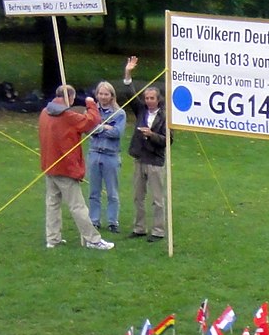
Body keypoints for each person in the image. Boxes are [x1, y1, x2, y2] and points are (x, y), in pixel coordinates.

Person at [39, 84, 114, 251]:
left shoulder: (44, 113)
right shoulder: (67, 116)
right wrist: (90, 103)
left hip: (49, 165)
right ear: (70, 98)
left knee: (52, 203)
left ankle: (53, 238)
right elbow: (92, 121)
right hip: (65, 168)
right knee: (77, 206)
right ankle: (93, 239)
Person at [123, 56, 173, 242]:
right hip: (140, 159)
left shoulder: (166, 116)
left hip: (155, 161)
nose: (149, 101)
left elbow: (168, 140)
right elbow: (130, 94)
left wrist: (151, 135)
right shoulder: (141, 110)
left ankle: (158, 231)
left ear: (158, 99)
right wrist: (128, 73)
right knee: (138, 197)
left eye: (152, 98)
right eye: (146, 98)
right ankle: (139, 228)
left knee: (158, 199)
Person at [88, 81, 126, 234]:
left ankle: (112, 222)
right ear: (97, 95)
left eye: (106, 94)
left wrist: (99, 129)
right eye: (100, 94)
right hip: (95, 153)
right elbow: (88, 129)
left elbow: (117, 133)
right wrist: (105, 127)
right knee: (94, 191)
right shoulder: (92, 111)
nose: (103, 97)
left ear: (112, 96)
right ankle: (94, 220)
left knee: (112, 192)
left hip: (111, 155)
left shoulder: (119, 113)